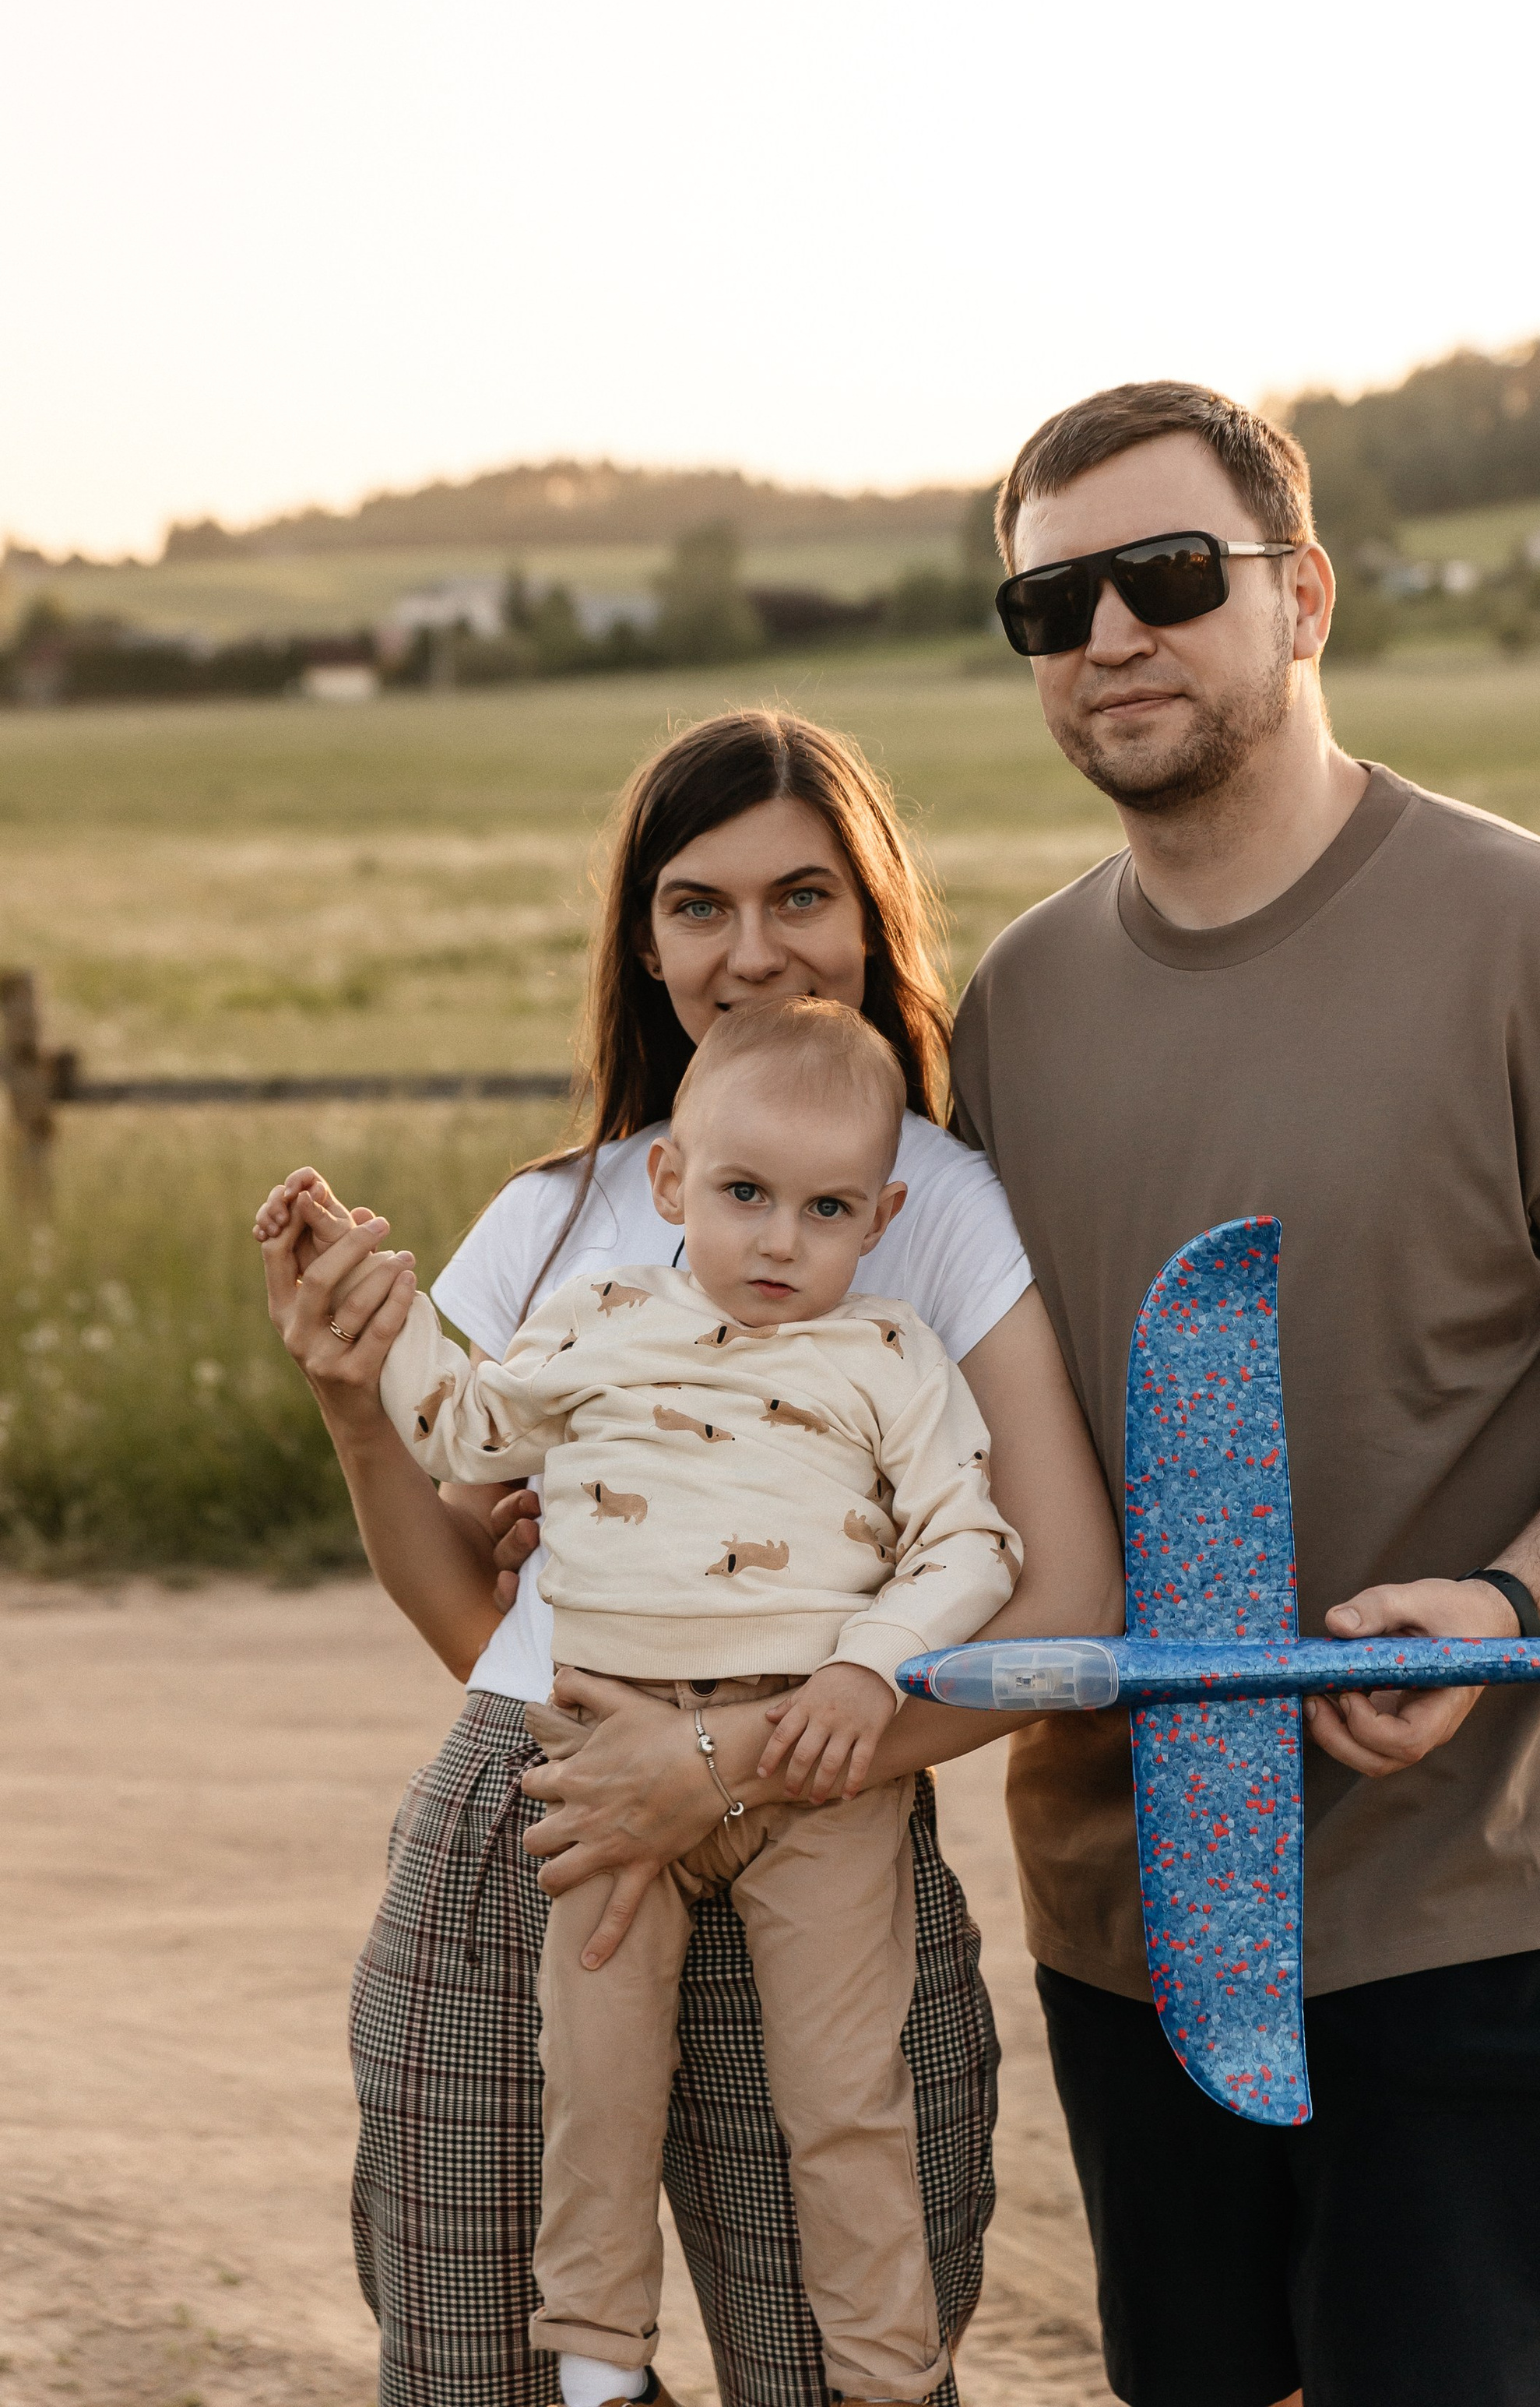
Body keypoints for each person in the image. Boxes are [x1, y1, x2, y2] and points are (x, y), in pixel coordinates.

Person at [948, 382, 1540, 2407]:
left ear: (1303, 594)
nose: (1110, 639)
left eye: (1165, 577)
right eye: (1050, 607)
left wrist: (1509, 1603)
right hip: (1124, 1920)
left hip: (1459, 1911)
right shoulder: (1014, 1012)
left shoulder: (1538, 936)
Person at [258, 709, 1123, 2407]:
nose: (750, 951)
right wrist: (358, 1403)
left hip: (818, 1809)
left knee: (834, 2367)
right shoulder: (562, 1212)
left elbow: (1067, 1608)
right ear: (641, 942)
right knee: (482, 2367)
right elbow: (466, 1615)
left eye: (800, 896)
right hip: (538, 1816)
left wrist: (726, 1761)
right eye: (695, 905)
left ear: (871, 921)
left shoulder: (923, 1208)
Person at [322, 994, 1021, 2407]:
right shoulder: (596, 1322)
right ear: (669, 1185)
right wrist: (376, 1323)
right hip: (598, 1747)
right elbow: (461, 1428)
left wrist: (862, 1664)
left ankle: (882, 2371)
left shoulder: (890, 1358)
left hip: (818, 1768)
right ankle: (595, 2353)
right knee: (598, 2066)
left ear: (880, 1217)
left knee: (845, 2093)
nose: (779, 1240)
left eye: (826, 1210)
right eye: (745, 1194)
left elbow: (975, 1541)